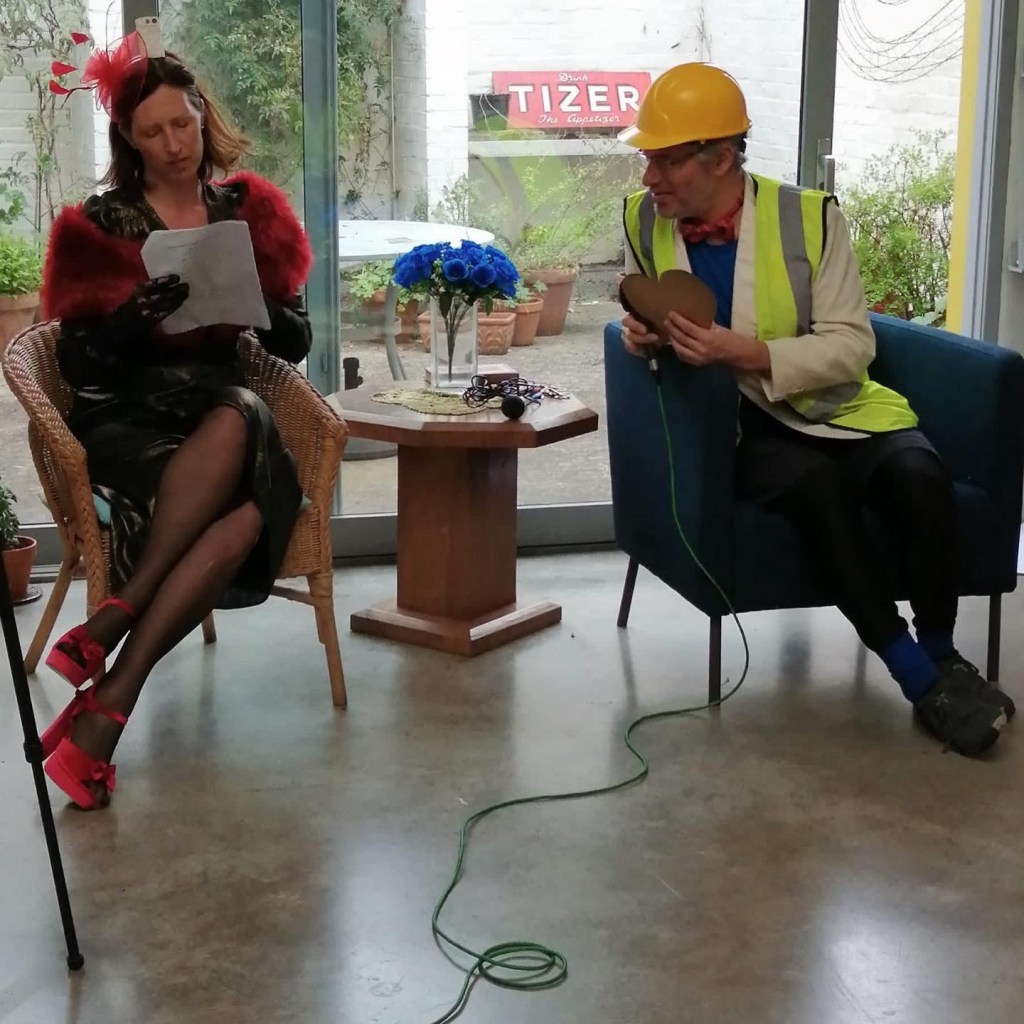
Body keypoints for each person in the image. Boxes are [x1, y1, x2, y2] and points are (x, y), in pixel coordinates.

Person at [617, 62, 1013, 757]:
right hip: (741, 426)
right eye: (648, 158)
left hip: (839, 405)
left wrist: (747, 351)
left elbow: (853, 345)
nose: (650, 177)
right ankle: (919, 678)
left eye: (667, 160)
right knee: (818, 489)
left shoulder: (809, 218)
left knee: (921, 477)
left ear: (722, 157)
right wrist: (641, 334)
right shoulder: (641, 219)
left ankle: (944, 654)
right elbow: (650, 309)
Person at [37, 27, 313, 808]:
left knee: (243, 445)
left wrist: (258, 303)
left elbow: (296, 343)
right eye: (153, 131)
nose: (174, 144)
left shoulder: (248, 210)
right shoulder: (101, 224)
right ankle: (108, 690)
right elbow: (78, 365)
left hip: (218, 418)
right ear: (129, 139)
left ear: (202, 114)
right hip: (127, 423)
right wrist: (130, 321)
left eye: (183, 124)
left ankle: (110, 664)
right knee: (245, 459)